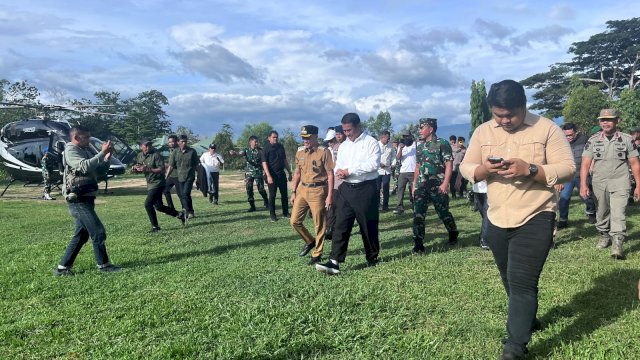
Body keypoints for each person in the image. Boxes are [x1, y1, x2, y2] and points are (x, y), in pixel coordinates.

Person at [460, 80, 575, 359]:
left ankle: (515, 348)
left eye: (511, 114)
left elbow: (568, 168)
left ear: (524, 105)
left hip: (536, 213)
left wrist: (530, 169)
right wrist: (483, 169)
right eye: (499, 115)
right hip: (497, 217)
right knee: (508, 278)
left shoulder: (546, 128)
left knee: (522, 281)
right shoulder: (483, 131)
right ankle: (527, 319)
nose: (505, 120)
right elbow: (466, 166)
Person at [316, 113, 381, 275]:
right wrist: (340, 171)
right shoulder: (344, 145)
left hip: (366, 189)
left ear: (358, 126)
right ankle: (334, 262)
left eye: (349, 130)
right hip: (346, 189)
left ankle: (372, 257)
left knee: (368, 225)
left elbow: (373, 164)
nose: (347, 134)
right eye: (344, 130)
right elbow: (340, 164)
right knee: (340, 224)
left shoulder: (370, 142)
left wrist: (349, 171)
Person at [54, 125, 122, 276]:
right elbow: (83, 167)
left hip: (87, 196)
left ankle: (62, 268)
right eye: (86, 137)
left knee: (82, 235)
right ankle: (104, 265)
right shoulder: (71, 149)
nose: (89, 140)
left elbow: (100, 170)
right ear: (76, 137)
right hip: (77, 199)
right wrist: (102, 152)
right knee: (98, 232)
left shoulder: (87, 150)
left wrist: (107, 156)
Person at [580, 109, 640, 260]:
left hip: (621, 181)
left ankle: (617, 244)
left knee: (618, 212)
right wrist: (583, 184)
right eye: (602, 120)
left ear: (617, 121)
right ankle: (604, 235)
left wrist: (638, 185)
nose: (605, 123)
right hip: (599, 182)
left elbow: (634, 163)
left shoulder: (627, 139)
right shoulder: (593, 140)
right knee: (602, 212)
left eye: (609, 119)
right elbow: (585, 164)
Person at [411, 118, 458, 252]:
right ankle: (418, 243)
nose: (419, 131)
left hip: (437, 185)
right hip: (422, 185)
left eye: (421, 128)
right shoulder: (419, 147)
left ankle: (453, 232)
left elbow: (449, 164)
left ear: (430, 129)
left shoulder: (442, 143)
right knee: (418, 214)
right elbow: (418, 167)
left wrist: (445, 183)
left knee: (443, 212)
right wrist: (414, 185)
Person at [290, 125, 334, 264]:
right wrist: (293, 191)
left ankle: (317, 254)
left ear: (315, 136)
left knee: (319, 224)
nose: (305, 140)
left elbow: (330, 174)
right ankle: (310, 241)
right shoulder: (300, 152)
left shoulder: (324, 152)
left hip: (318, 191)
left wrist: (329, 196)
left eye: (308, 137)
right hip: (302, 190)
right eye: (303, 137)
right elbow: (297, 173)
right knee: (294, 221)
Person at [132, 139, 186, 232]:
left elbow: (161, 169)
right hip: (150, 183)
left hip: (158, 183)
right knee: (159, 207)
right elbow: (140, 167)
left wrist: (148, 169)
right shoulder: (140, 156)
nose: (148, 147)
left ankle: (155, 227)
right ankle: (180, 214)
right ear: (141, 146)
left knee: (148, 204)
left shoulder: (156, 155)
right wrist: (135, 169)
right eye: (146, 145)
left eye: (149, 145)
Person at [555, 123, 596, 229]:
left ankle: (591, 212)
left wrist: (592, 165)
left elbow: (593, 154)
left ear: (576, 132)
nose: (568, 137)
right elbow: (556, 161)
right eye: (566, 135)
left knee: (586, 196)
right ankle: (563, 220)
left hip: (582, 174)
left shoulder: (585, 140)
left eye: (570, 135)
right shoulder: (559, 143)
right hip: (567, 176)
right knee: (564, 198)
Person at [229, 135, 269, 212]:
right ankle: (252, 206)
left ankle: (266, 201)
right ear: (250, 142)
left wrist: (265, 173)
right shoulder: (246, 150)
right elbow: (239, 154)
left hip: (258, 172)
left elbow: (264, 162)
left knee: (261, 189)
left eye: (257, 141)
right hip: (249, 173)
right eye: (255, 141)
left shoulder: (261, 150)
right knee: (249, 189)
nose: (257, 143)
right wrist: (234, 153)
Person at [261, 130, 293, 221]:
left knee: (284, 194)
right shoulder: (266, 148)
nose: (275, 138)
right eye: (273, 137)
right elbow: (264, 163)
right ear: (269, 138)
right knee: (272, 195)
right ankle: (273, 215)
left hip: (281, 174)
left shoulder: (280, 147)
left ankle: (285, 212)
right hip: (271, 175)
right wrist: (268, 176)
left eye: (276, 137)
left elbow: (284, 160)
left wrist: (289, 172)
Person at [165, 134, 199, 219]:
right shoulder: (175, 152)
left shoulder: (192, 151)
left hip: (189, 176)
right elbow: (171, 166)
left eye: (185, 141)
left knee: (184, 194)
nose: (184, 143)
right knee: (184, 195)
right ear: (178, 142)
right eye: (182, 141)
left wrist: (199, 177)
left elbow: (197, 166)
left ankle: (188, 212)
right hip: (180, 177)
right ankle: (188, 210)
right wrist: (165, 177)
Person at [325, 125, 346, 240]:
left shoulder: (345, 147)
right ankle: (331, 229)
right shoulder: (332, 148)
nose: (338, 136)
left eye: (340, 134)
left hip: (344, 180)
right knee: (333, 206)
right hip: (335, 181)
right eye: (336, 134)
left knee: (339, 207)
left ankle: (334, 229)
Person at [393, 129, 417, 215]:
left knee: (413, 190)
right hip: (403, 171)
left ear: (410, 136)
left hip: (413, 171)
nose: (405, 138)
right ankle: (400, 207)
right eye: (404, 136)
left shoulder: (415, 144)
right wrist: (401, 149)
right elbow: (398, 158)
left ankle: (415, 206)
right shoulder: (401, 145)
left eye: (407, 136)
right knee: (400, 189)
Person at [377, 130, 395, 212]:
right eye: (387, 138)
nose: (388, 140)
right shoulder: (375, 145)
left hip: (387, 171)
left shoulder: (390, 146)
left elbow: (393, 157)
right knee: (376, 189)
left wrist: (393, 164)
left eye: (389, 138)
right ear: (382, 137)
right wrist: (379, 163)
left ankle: (385, 206)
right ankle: (377, 205)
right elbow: (372, 156)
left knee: (386, 188)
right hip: (377, 171)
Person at [163, 134, 180, 211]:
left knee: (181, 194)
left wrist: (167, 166)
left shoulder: (179, 150)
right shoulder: (170, 151)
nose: (171, 143)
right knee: (165, 190)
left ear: (177, 141)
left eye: (172, 142)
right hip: (171, 175)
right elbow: (170, 163)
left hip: (178, 175)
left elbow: (174, 164)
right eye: (169, 142)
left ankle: (188, 210)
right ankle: (171, 208)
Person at [472, 180, 489, 249]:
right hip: (477, 188)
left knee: (487, 213)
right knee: (484, 214)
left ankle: (484, 239)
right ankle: (484, 237)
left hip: (490, 188)